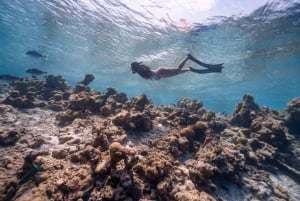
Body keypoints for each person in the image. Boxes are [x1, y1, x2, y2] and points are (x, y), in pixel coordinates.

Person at [131, 54, 224, 80]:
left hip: (160, 72)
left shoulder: (142, 70)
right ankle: (190, 69)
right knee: (179, 72)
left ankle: (188, 57)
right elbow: (147, 73)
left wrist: (139, 66)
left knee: (178, 69)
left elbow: (149, 72)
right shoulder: (141, 72)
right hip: (160, 75)